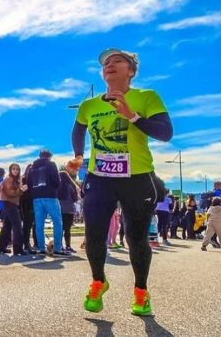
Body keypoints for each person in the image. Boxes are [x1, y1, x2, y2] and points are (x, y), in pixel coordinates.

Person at [74, 48, 173, 316]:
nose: (109, 64)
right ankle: (98, 281)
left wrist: (133, 116)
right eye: (106, 62)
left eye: (117, 61)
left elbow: (165, 133)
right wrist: (78, 156)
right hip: (100, 178)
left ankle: (141, 291)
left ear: (131, 71)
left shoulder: (146, 96)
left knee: (135, 237)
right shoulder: (89, 105)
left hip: (137, 178)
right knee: (93, 233)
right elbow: (79, 129)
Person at [29, 149, 68, 256]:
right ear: (49, 156)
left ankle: (41, 248)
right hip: (50, 196)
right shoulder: (51, 164)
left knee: (39, 224)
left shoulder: (32, 167)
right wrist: (55, 189)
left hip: (36, 198)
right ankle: (58, 248)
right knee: (57, 222)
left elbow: (29, 182)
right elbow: (56, 180)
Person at [0, 163, 26, 256]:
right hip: (9, 203)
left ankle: (0, 248)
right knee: (17, 226)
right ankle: (18, 249)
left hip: (9, 204)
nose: (15, 171)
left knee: (7, 227)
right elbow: (10, 193)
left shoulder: (15, 179)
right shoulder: (8, 179)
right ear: (10, 170)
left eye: (17, 169)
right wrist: (21, 190)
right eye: (13, 169)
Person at [58, 159, 81, 253]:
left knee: (64, 229)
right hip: (66, 209)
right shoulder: (69, 185)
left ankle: (64, 246)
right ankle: (65, 246)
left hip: (65, 209)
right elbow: (75, 198)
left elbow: (75, 198)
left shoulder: (64, 186)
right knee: (66, 229)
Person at [20, 163, 37, 254]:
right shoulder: (24, 179)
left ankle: (30, 244)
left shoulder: (34, 180)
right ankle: (26, 244)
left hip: (33, 204)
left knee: (32, 225)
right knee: (27, 226)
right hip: (26, 204)